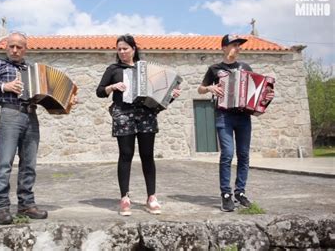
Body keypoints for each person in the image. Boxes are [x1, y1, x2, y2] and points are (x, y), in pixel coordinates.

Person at [0, 32, 77, 224]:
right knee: (5, 164)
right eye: (12, 46)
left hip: (31, 116)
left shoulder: (32, 70)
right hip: (9, 114)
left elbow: (47, 95)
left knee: (29, 164)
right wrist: (5, 87)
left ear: (25, 49)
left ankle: (26, 205)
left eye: (19, 47)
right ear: (6, 47)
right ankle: (1, 208)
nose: (15, 50)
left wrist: (67, 100)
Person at [96, 34, 181, 216]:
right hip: (123, 113)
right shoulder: (113, 69)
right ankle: (124, 198)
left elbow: (159, 98)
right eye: (119, 49)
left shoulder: (145, 69)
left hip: (146, 114)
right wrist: (113, 87)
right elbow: (100, 91)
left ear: (133, 49)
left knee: (147, 155)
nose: (121, 52)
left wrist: (171, 96)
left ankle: (151, 197)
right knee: (125, 155)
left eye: (125, 48)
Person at [197, 34, 274, 212]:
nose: (237, 48)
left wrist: (267, 96)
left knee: (244, 155)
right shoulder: (215, 69)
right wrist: (210, 88)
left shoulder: (245, 67)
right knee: (227, 154)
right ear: (224, 48)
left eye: (239, 46)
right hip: (224, 115)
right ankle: (226, 194)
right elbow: (200, 89)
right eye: (234, 45)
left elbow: (258, 91)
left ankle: (240, 192)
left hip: (243, 117)